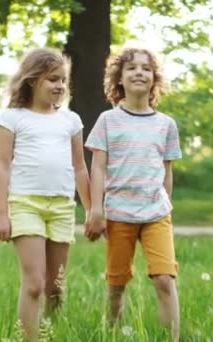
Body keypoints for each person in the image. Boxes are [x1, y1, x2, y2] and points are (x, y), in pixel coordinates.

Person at [0, 47, 91, 342]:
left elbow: (80, 167)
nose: (60, 85)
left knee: (56, 287)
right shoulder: (12, 118)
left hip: (61, 207)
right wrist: (1, 213)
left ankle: (50, 333)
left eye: (63, 80)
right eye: (52, 79)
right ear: (33, 80)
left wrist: (91, 210)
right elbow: (1, 165)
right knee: (34, 283)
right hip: (25, 204)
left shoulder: (70, 121)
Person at [85, 45, 182, 340]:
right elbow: (98, 168)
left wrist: (166, 204)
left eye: (146, 68)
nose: (139, 72)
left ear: (154, 78)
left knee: (165, 279)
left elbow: (166, 171)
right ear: (119, 78)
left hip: (156, 214)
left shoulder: (166, 124)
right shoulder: (107, 121)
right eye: (131, 68)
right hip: (119, 214)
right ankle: (110, 334)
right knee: (116, 285)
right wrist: (96, 209)